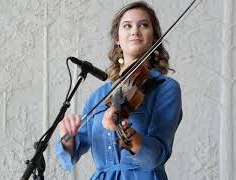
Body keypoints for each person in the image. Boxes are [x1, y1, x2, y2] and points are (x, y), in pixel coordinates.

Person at [56, 1, 183, 180]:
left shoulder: (165, 88)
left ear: (154, 37)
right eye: (127, 26)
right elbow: (72, 151)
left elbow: (156, 155)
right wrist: (67, 137)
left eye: (144, 25)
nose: (135, 31)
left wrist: (121, 128)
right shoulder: (100, 96)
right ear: (117, 38)